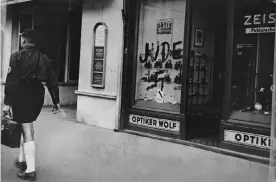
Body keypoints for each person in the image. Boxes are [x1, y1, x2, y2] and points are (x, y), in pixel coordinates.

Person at [2, 29, 61, 181]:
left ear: (24, 41)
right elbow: (52, 81)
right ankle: (22, 160)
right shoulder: (44, 58)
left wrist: (7, 103)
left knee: (27, 128)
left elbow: (11, 81)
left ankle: (30, 171)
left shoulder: (17, 56)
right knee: (24, 123)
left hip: (22, 93)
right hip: (37, 93)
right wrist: (56, 101)